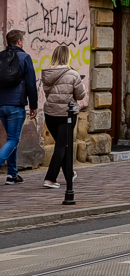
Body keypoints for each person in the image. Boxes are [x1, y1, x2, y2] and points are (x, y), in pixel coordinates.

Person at [40, 45, 86, 189]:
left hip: (50, 114)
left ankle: (69, 174)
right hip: (67, 114)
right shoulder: (73, 74)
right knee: (61, 145)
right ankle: (50, 178)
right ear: (67, 57)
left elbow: (48, 93)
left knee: (63, 144)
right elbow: (80, 95)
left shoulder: (47, 73)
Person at [0, 30, 39, 184]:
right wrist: (34, 106)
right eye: (22, 40)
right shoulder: (25, 57)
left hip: (1, 104)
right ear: (19, 42)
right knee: (14, 140)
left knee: (11, 140)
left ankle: (12, 174)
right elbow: (30, 84)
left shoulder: (0, 57)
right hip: (16, 105)